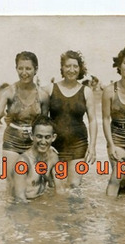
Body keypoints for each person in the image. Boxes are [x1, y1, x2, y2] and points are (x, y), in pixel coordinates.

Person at [0, 51, 49, 188]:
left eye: (28, 68)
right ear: (16, 69)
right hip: (12, 142)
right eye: (20, 68)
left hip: (34, 143)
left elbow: (45, 124)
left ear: (36, 70)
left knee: (34, 184)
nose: (24, 72)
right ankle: (12, 209)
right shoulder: (9, 92)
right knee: (11, 184)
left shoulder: (43, 95)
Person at [43, 50, 97, 188]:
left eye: (75, 66)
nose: (71, 70)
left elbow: (92, 120)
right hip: (54, 145)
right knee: (55, 187)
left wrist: (92, 146)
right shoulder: (49, 89)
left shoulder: (86, 91)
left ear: (80, 69)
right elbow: (42, 120)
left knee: (74, 186)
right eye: (68, 66)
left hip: (78, 144)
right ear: (62, 68)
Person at [12, 116, 61, 203]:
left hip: (41, 202)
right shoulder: (22, 163)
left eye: (47, 137)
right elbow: (20, 199)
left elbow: (60, 190)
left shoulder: (53, 158)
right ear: (31, 136)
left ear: (53, 137)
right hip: (24, 206)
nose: (43, 141)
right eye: (39, 136)